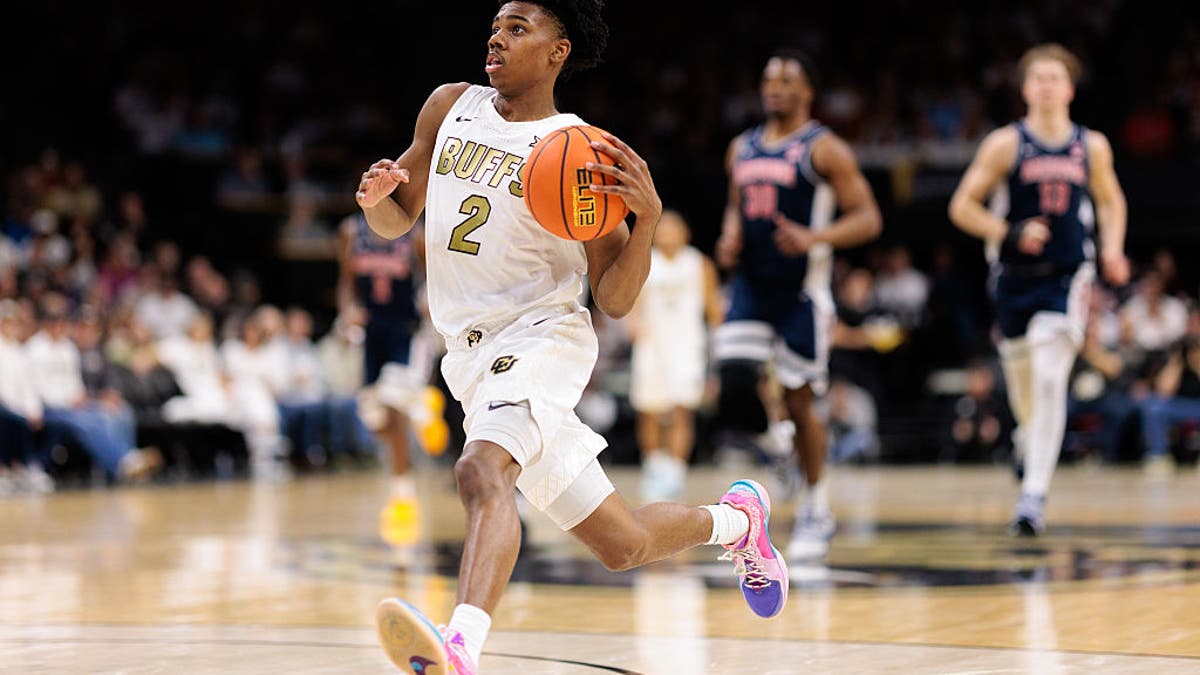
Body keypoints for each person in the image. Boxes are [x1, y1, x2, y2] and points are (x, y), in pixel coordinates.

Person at [358, 3, 788, 673]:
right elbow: (396, 220)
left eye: (519, 27)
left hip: (541, 341)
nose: (497, 35)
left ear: (559, 51)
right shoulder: (448, 107)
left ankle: (461, 645)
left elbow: (614, 298)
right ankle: (739, 521)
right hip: (470, 356)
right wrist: (376, 200)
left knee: (480, 470)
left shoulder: (581, 150)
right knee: (623, 544)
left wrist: (645, 226)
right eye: (497, 24)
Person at [948, 43, 1129, 536]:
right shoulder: (1006, 144)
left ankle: (1033, 497)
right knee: (1026, 388)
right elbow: (962, 206)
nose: (1047, 86)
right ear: (1025, 89)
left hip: (1068, 276)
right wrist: (1008, 232)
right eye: (1038, 78)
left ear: (1069, 89)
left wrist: (1112, 248)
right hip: (1012, 281)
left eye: (1055, 78)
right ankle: (1028, 440)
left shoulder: (1091, 146)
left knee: (1052, 377)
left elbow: (1112, 202)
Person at [713, 48, 883, 561]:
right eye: (768, 79)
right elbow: (735, 209)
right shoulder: (740, 148)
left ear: (808, 91)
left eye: (786, 79)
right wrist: (729, 236)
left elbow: (868, 218)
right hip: (751, 286)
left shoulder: (823, 149)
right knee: (733, 377)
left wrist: (816, 236)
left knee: (800, 400)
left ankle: (816, 506)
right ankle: (778, 446)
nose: (774, 88)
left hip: (802, 292)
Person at [337, 202, 433, 542]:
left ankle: (402, 491)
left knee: (393, 405)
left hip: (404, 331)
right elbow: (346, 281)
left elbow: (431, 276)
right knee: (373, 415)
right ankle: (422, 406)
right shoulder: (352, 231)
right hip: (370, 331)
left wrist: (428, 301)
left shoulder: (415, 235)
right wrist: (347, 313)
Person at [627, 210, 722, 501]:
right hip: (652, 344)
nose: (668, 232)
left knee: (682, 409)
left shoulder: (699, 264)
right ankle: (654, 466)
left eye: (674, 227)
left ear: (686, 233)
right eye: (663, 227)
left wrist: (717, 354)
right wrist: (633, 324)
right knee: (649, 410)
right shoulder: (646, 260)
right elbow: (631, 302)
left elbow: (714, 310)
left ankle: (676, 471)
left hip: (687, 345)